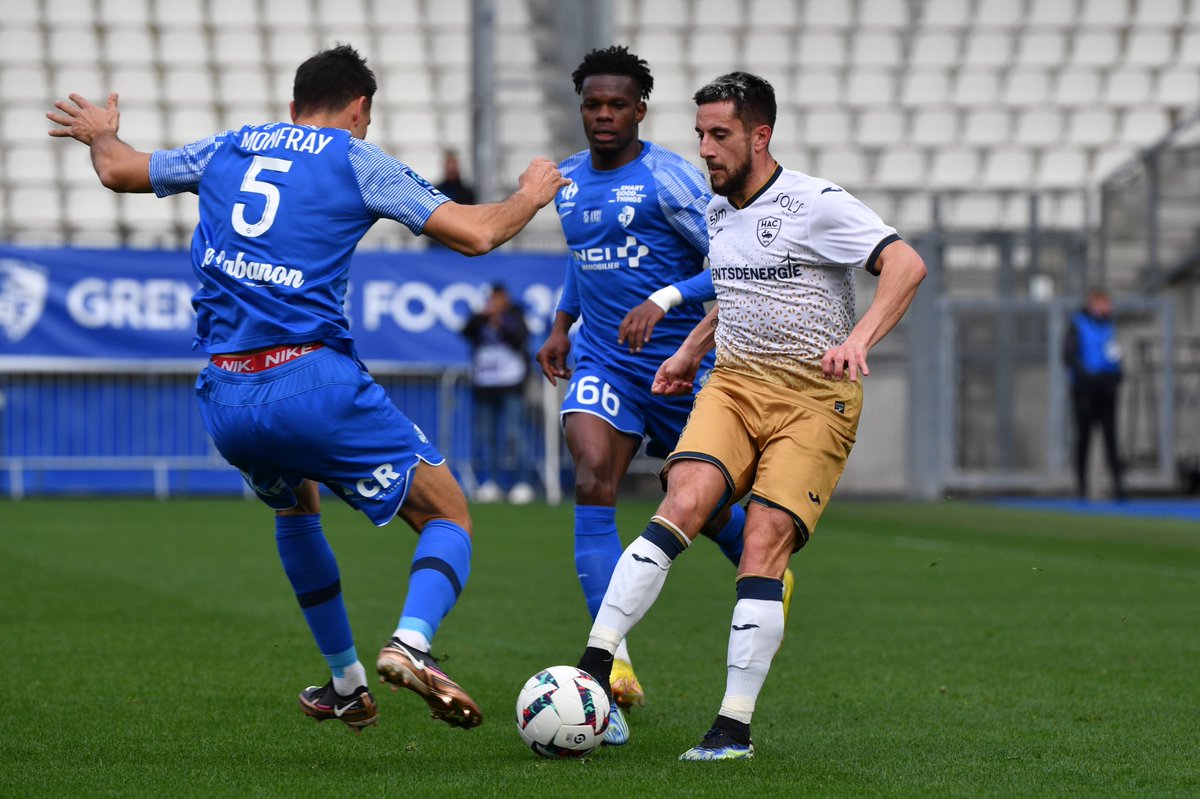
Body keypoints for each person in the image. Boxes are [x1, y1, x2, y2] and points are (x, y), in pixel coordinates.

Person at [47, 44, 567, 732]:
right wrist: (531, 193)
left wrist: (103, 132)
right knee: (447, 515)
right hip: (310, 379)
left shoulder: (230, 146)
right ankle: (410, 643)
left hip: (226, 396)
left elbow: (116, 170)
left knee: (296, 506)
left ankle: (346, 683)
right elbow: (474, 234)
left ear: (293, 106)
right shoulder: (353, 157)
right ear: (359, 110)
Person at [575, 71, 927, 761]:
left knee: (764, 541)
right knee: (684, 502)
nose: (705, 148)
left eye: (720, 135)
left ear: (760, 136)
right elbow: (736, 291)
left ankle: (732, 726)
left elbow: (906, 264)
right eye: (700, 134)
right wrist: (687, 351)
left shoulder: (816, 203)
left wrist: (858, 340)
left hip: (811, 398)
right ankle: (593, 667)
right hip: (734, 385)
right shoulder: (717, 210)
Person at [536, 46, 790, 747]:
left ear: (640, 109)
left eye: (618, 104)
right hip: (606, 364)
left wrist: (665, 298)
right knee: (592, 476)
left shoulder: (672, 180)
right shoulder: (565, 181)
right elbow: (580, 255)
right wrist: (562, 324)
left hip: (681, 370)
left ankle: (763, 568)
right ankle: (610, 668)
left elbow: (733, 261)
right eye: (593, 104)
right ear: (581, 107)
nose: (604, 115)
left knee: (703, 511)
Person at [461, 283, 536, 503]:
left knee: (515, 434)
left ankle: (523, 484)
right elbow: (465, 332)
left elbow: (519, 339)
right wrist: (482, 317)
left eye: (499, 298)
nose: (495, 303)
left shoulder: (516, 316)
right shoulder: (480, 319)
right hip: (485, 385)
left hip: (511, 383)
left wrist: (500, 323)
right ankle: (492, 482)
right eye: (492, 298)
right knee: (488, 436)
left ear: (507, 298)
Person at [1064, 288, 1125, 500]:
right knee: (1084, 439)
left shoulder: (1109, 326)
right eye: (1104, 303)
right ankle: (1081, 486)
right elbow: (1069, 355)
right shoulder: (1077, 324)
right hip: (1085, 391)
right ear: (1093, 304)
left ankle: (1118, 486)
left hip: (1106, 391)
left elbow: (1115, 356)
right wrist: (1087, 378)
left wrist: (1116, 377)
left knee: (1112, 439)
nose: (1107, 308)